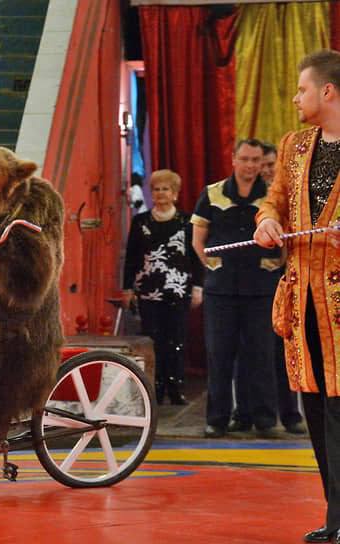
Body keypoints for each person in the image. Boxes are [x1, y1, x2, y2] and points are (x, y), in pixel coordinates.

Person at [254, 49, 340, 544]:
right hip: (302, 298)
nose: (295, 98)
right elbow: (276, 199)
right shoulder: (295, 145)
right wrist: (266, 219)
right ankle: (336, 515)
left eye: (302, 89)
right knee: (314, 405)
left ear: (327, 91)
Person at [191, 138, 281, 439]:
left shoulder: (272, 196)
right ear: (233, 159)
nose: (251, 165)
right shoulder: (212, 193)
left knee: (262, 355)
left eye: (256, 160)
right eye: (245, 159)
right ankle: (216, 420)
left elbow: (287, 240)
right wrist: (213, 267)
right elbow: (197, 240)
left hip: (261, 289)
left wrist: (275, 265)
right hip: (221, 291)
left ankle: (265, 420)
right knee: (220, 355)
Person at [234, 141, 306, 435]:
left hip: (285, 283)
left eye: (269, 165)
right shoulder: (253, 198)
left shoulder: (287, 195)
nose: (263, 170)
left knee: (281, 353)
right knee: (249, 353)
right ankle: (246, 413)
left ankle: (289, 414)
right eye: (259, 165)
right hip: (251, 287)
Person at [122, 169, 202, 405]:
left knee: (175, 339)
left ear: (175, 193)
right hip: (148, 290)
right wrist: (127, 288)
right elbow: (132, 258)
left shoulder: (187, 222)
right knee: (152, 340)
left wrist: (198, 286)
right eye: (156, 189)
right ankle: (153, 389)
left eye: (165, 189)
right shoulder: (140, 222)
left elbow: (196, 257)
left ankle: (176, 388)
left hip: (178, 289)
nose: (160, 193)